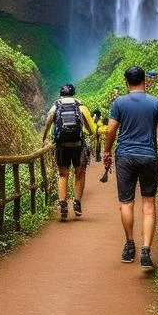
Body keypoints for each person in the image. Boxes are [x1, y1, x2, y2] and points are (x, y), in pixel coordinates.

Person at [103, 65, 158, 270]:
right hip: (148, 156)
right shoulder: (156, 104)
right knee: (149, 204)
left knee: (126, 203)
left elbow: (111, 130)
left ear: (126, 82)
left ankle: (129, 244)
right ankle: (145, 250)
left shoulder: (119, 103)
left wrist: (107, 151)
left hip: (124, 156)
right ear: (144, 80)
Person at [42, 84, 95, 221]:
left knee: (63, 174)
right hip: (77, 145)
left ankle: (63, 204)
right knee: (79, 173)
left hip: (61, 146)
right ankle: (77, 202)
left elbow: (48, 122)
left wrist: (44, 137)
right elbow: (90, 128)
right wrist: (89, 133)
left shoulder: (56, 106)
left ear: (61, 94)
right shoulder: (80, 106)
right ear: (74, 93)